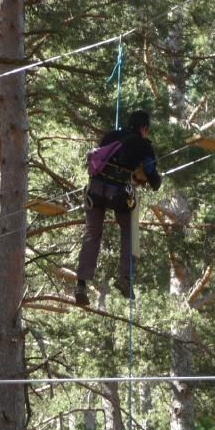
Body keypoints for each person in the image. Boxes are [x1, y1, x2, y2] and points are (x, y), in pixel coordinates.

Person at [75, 110, 162, 306]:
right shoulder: (143, 145)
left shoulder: (111, 136)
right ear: (144, 128)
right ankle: (125, 278)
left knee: (92, 233)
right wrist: (156, 181)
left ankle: (81, 283)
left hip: (94, 190)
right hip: (117, 194)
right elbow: (150, 173)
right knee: (129, 231)